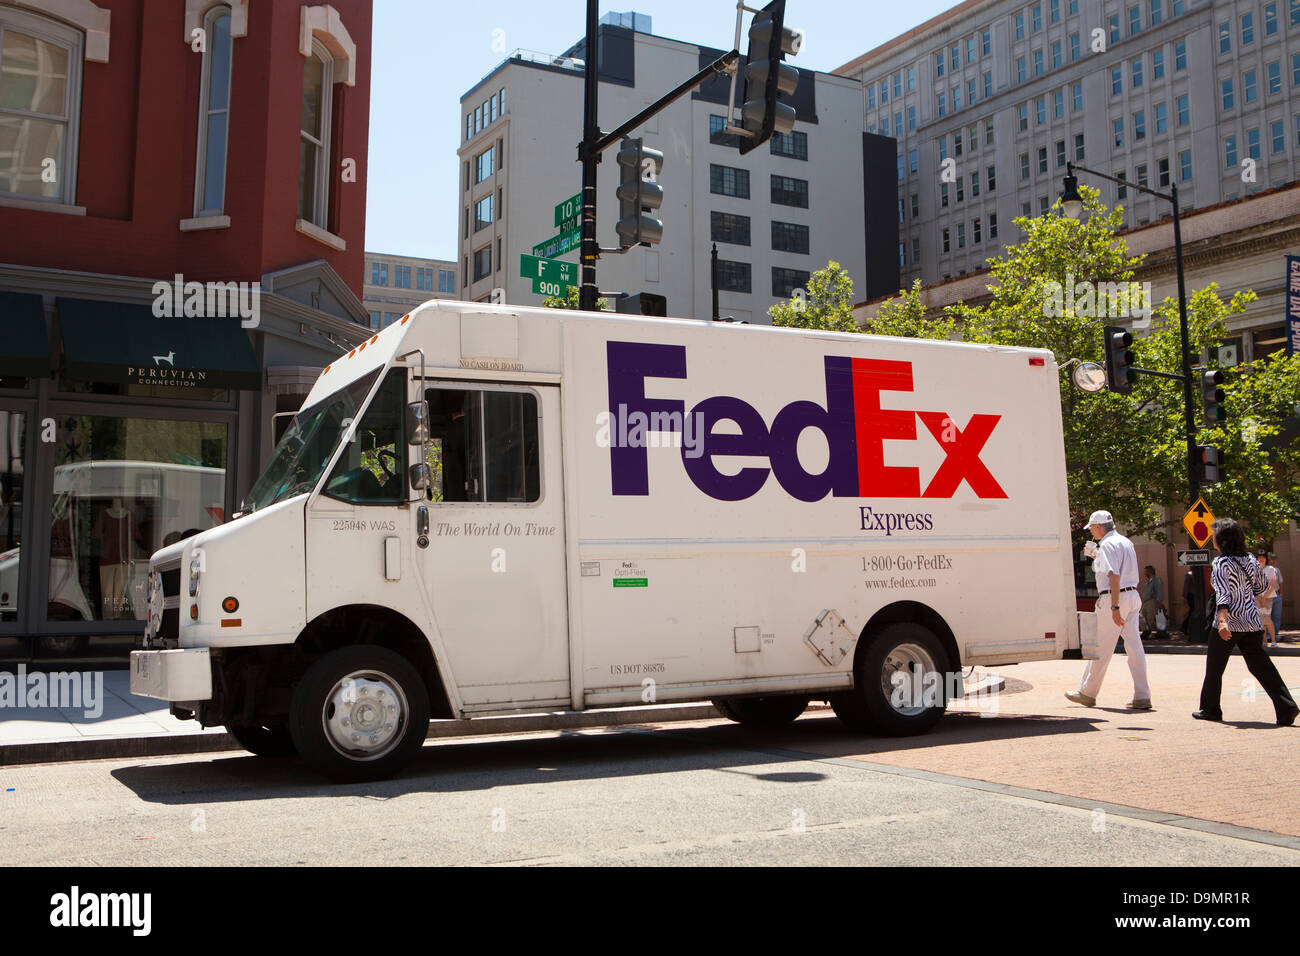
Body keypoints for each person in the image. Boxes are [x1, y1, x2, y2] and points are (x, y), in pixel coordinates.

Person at [1193, 518, 1298, 726]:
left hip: (1229, 622)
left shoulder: (1221, 563)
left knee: (1215, 667)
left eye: (1215, 534)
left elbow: (1222, 594)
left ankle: (1210, 709)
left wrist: (1222, 621)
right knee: (1261, 666)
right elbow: (1261, 587)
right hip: (1251, 621)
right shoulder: (1250, 559)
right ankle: (1287, 707)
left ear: (1221, 540)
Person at [1067, 510, 1152, 710]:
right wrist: (1096, 555)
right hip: (1132, 596)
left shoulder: (1106, 544)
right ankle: (1142, 694)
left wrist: (1114, 606)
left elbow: (1114, 574)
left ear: (1098, 526)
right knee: (1135, 648)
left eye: (1092, 528)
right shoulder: (1125, 542)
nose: (1091, 533)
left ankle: (1087, 692)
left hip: (1115, 598)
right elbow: (1118, 568)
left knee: (1101, 648)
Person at [1256, 553, 1279, 647]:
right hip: (1257, 597)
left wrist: (1264, 597)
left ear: (1266, 559)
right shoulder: (1255, 569)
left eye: (1263, 558)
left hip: (1268, 597)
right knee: (1260, 620)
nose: (1261, 559)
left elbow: (1273, 585)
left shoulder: (1270, 569)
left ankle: (1274, 641)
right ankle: (1264, 641)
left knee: (1267, 619)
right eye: (1259, 558)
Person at [1139, 565, 1166, 640]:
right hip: (1146, 602)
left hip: (1152, 601)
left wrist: (1159, 602)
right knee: (1141, 616)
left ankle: (1149, 632)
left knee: (1151, 618)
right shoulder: (1149, 581)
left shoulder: (1157, 580)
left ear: (1149, 572)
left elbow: (1159, 591)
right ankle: (1146, 630)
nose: (1144, 573)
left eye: (1145, 571)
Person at [1270, 555, 1285, 643]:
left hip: (1277, 594)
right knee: (1268, 616)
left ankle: (1276, 634)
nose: (1273, 560)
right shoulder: (1265, 569)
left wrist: (1281, 594)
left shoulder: (1277, 570)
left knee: (1277, 616)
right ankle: (1268, 635)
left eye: (1274, 559)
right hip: (1268, 595)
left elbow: (1280, 582)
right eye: (1272, 559)